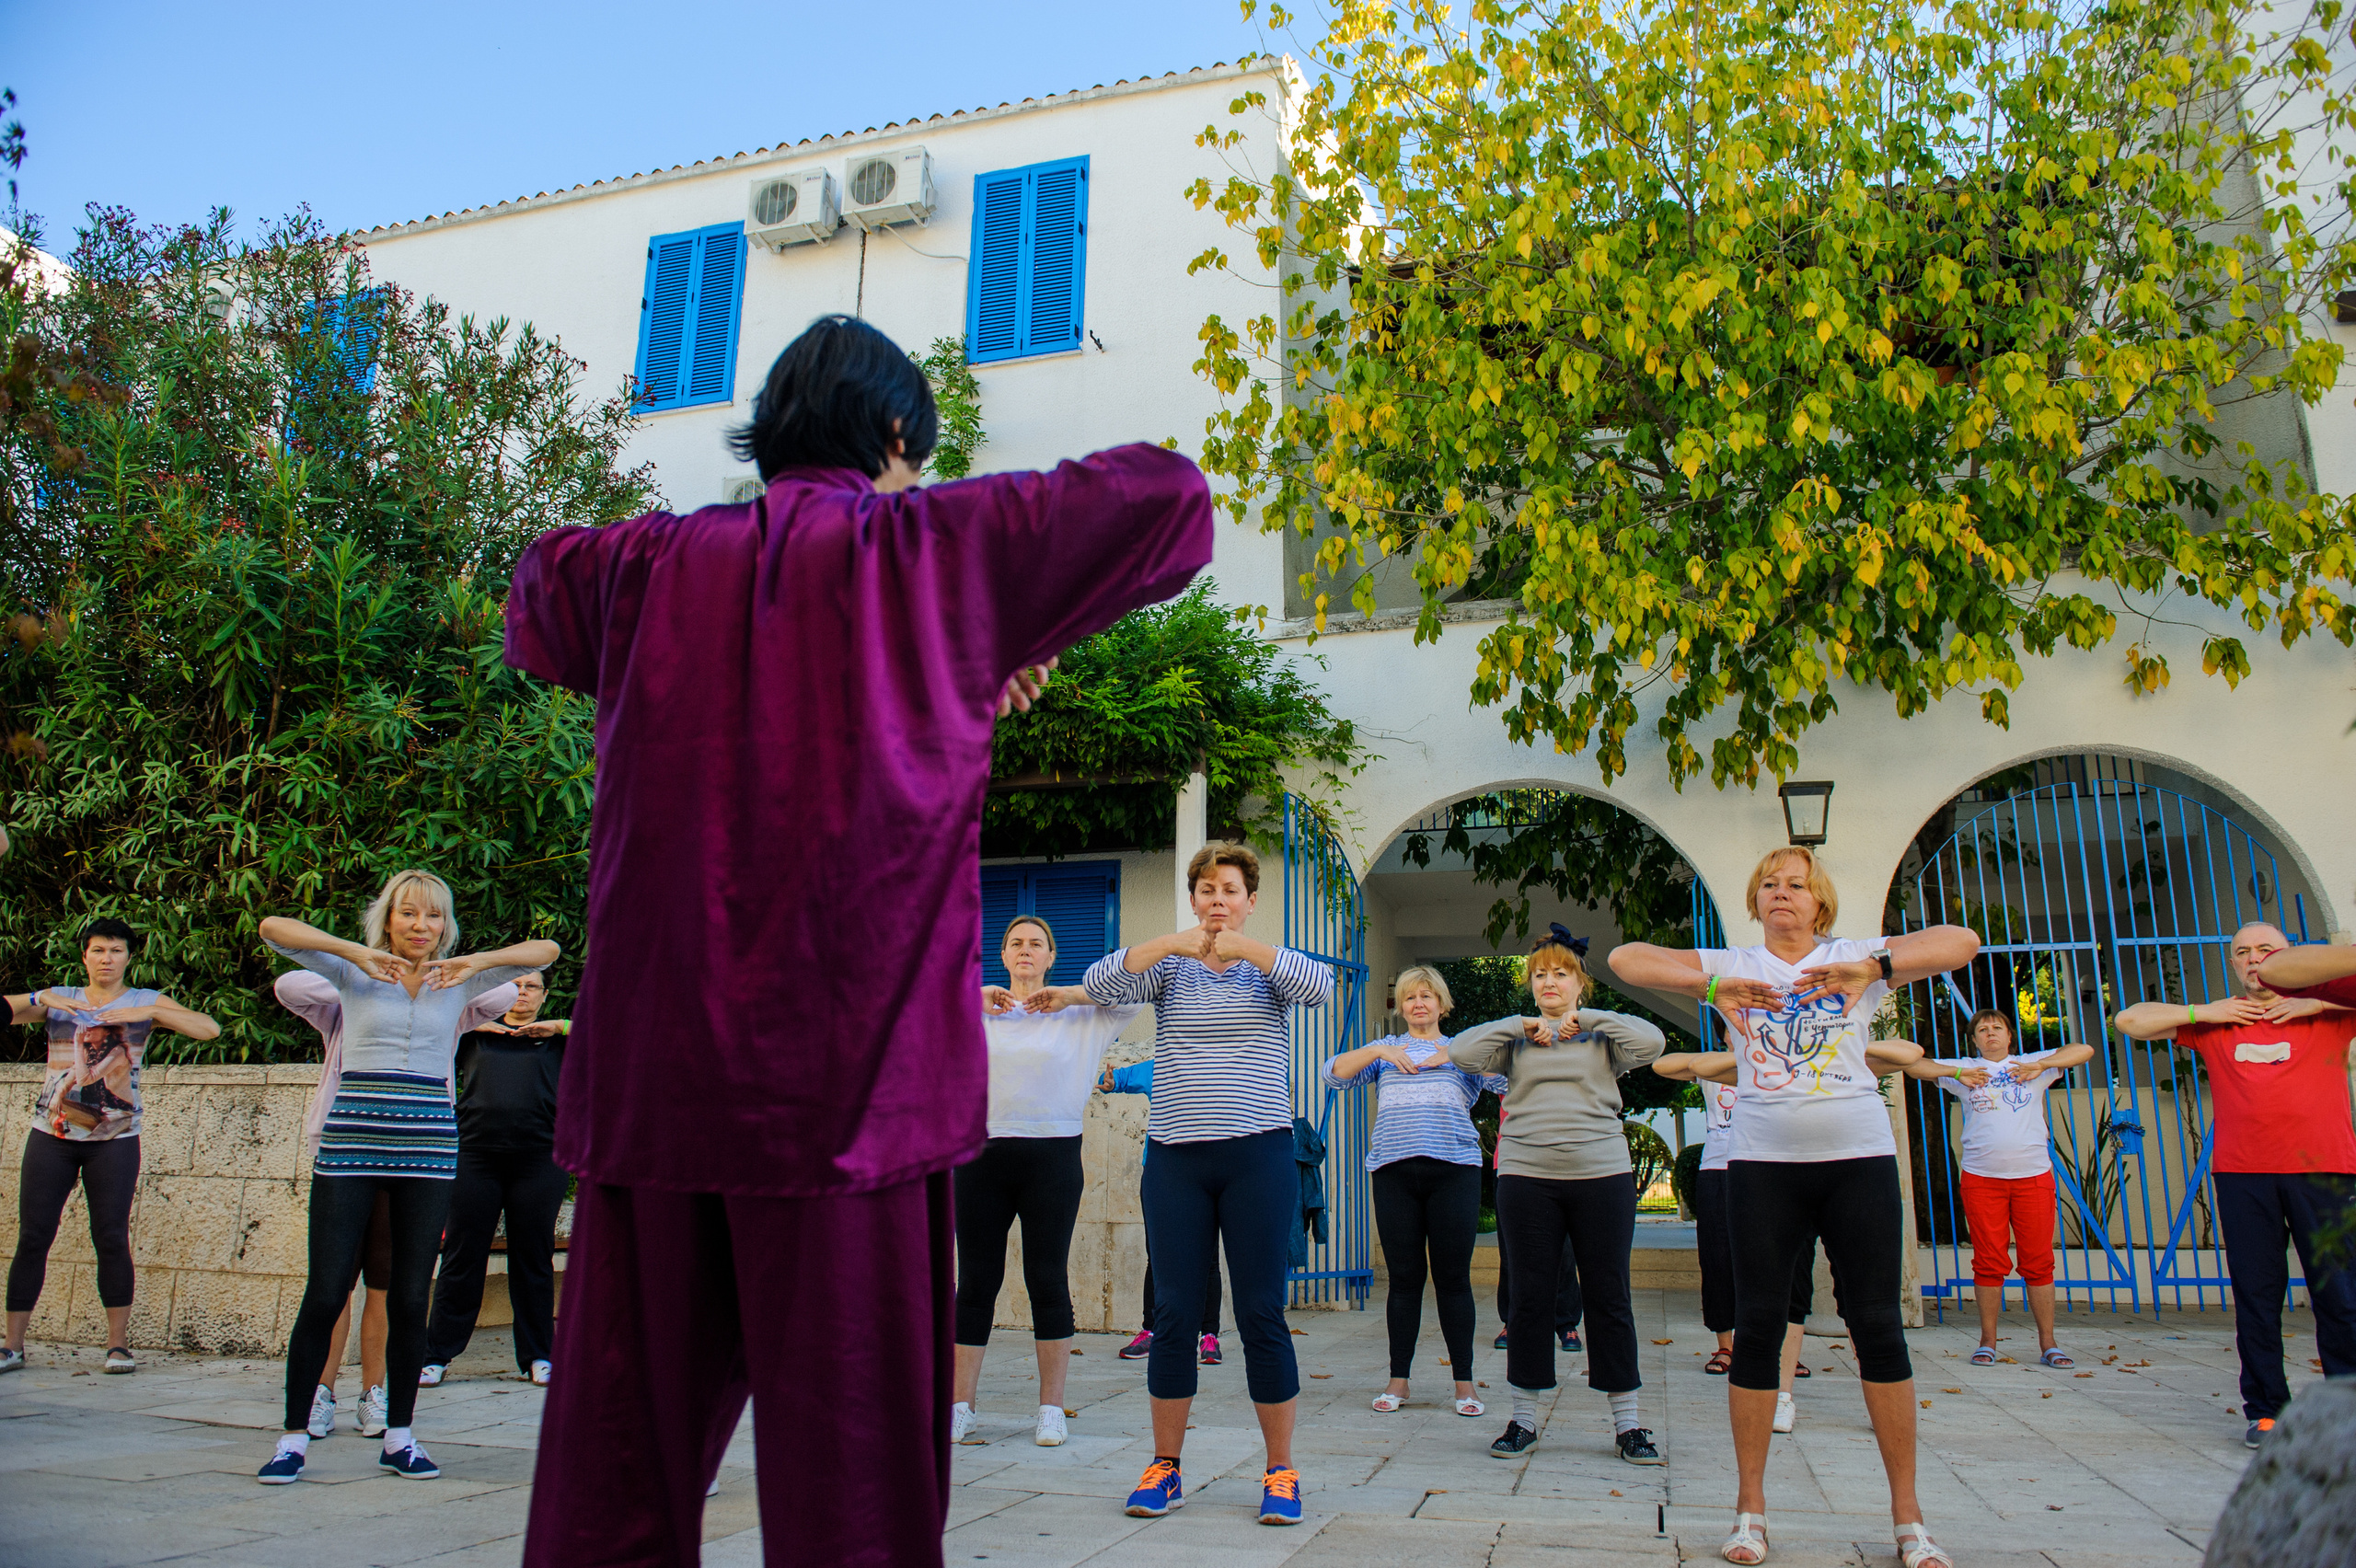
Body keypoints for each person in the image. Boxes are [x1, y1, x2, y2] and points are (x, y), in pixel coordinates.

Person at [501, 313, 1213, 1568]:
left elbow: (536, 589)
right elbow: (1171, 496)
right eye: (916, 457)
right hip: (851, 1098)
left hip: (652, 1092)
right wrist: (991, 625)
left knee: (613, 1484)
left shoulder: (637, 566)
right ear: (893, 433)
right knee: (856, 1510)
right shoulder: (929, 549)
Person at [1611, 847, 1977, 1568]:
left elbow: (1960, 942)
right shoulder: (1735, 964)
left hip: (1858, 1163)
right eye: (1770, 885)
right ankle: (1750, 1511)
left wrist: (1873, 968)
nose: (1782, 893)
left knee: (1878, 1328)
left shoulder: (1853, 956)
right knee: (1757, 1328)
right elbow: (1627, 959)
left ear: (1820, 902)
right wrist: (1713, 984)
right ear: (1756, 901)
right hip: (1763, 1167)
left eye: (1797, 885)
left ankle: (1908, 1518)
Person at [254, 870, 556, 1484]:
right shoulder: (355, 973)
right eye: (409, 913)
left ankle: (400, 1436)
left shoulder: (459, 982)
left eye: (433, 915)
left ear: (446, 924)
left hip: (428, 1152)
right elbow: (273, 929)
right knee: (326, 1291)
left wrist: (474, 962)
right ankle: (292, 1439)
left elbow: (545, 951)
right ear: (388, 919)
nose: (421, 926)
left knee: (412, 1296)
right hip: (350, 1147)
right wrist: (354, 952)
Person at [1084, 841, 1333, 1528]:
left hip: (1258, 1157)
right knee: (1173, 1313)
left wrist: (1244, 948)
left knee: (1260, 1313)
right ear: (1192, 899)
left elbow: (1319, 987)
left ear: (1250, 901)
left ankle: (1280, 1471)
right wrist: (1174, 943)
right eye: (1206, 890)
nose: (1217, 900)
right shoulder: (1170, 968)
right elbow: (1101, 983)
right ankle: (1164, 1468)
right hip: (1176, 1162)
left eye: (1229, 890)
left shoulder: (1269, 969)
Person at [2117, 922, 2356, 1448]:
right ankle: (2267, 1411)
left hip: (2326, 1171)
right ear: (2233, 963)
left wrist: (2317, 1002)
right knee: (2257, 1296)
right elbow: (2128, 1020)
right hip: (2244, 1175)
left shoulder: (2331, 1014)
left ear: (2287, 957)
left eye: (2267, 950)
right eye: (2242, 952)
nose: (2254, 959)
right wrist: (2204, 1012)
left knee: (2340, 1295)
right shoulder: (2217, 1021)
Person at [1449, 926, 1667, 1463]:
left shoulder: (1603, 1036)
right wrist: (1517, 1025)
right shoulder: (1515, 1040)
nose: (1550, 982)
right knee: (1529, 1296)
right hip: (1527, 1179)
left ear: (1580, 982)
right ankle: (1522, 1420)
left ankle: (1629, 1425)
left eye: (1561, 973)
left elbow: (1653, 1043)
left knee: (1609, 1295)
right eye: (1540, 974)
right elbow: (1460, 1052)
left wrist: (1587, 1020)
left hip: (1603, 1175)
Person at [273, 967, 516, 1436]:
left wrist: (435, 978)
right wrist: (364, 974)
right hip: (347, 1150)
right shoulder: (348, 998)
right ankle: (320, 1393)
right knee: (332, 1286)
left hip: (414, 1157)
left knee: (388, 1284)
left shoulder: (446, 1002)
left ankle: (374, 1393)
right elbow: (289, 986)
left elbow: (504, 991)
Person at [952, 916, 1143, 1447]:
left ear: (1051, 956)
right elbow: (913, 1010)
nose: (1026, 950)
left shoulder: (1082, 1016)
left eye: (1036, 944)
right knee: (976, 1282)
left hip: (1053, 1158)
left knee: (1047, 1279)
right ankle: (961, 1406)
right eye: (1016, 943)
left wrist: (1072, 995)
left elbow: (1134, 988)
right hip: (981, 1156)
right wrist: (970, 995)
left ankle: (1051, 1409)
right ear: (1002, 955)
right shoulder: (975, 1013)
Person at [4, 920, 220, 1375]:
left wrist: (151, 1013)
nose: (107, 958)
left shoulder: (143, 1001)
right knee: (34, 1236)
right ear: (85, 955)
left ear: (128, 957)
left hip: (115, 1139)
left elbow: (209, 1029)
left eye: (116, 950)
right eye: (98, 950)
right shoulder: (62, 1000)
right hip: (52, 1136)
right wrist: (40, 997)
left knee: (111, 1236)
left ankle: (118, 1346)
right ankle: (13, 1346)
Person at [1325, 964, 1505, 1417]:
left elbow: (1507, 1079)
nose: (1418, 1003)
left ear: (1442, 1004)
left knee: (1453, 1280)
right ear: (1401, 1007)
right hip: (1393, 1174)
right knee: (1404, 1281)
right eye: (1409, 997)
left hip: (1454, 1173)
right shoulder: (1386, 1052)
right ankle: (1398, 1381)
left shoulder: (1462, 1050)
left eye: (1427, 996)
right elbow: (1333, 1074)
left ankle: (1464, 1384)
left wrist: (1458, 1055)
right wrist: (1378, 1050)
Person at [1900, 1009, 2093, 1369]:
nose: (1990, 1033)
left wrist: (2040, 1066)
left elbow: (2084, 1050)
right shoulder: (1965, 1069)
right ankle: (1987, 1342)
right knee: (1988, 1262)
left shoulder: (2031, 1063)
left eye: (1997, 1027)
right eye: (1982, 1030)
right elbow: (1914, 1066)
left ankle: (2049, 1344)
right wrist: (1956, 1073)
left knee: (2039, 1262)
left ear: (2009, 1035)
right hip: (1982, 1178)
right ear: (1974, 1040)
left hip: (2033, 1176)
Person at [420, 969, 572, 1388]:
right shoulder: (473, 1035)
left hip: (540, 1159)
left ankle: (538, 1355)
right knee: (462, 1254)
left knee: (533, 1256)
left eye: (531, 987)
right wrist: (473, 1022)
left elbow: (609, 1034)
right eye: (515, 986)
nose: (522, 993)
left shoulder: (558, 1040)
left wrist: (558, 1026)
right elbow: (429, 1022)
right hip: (475, 1156)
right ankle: (436, 1356)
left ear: (544, 995)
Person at [1099, 1058, 1227, 1363]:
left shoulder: (1220, 1066)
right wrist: (1110, 1081)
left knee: (1208, 1259)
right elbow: (1120, 1079)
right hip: (1162, 1174)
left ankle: (1209, 1336)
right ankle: (1151, 1331)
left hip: (1208, 1172)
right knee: (1157, 1256)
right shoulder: (1163, 1066)